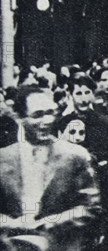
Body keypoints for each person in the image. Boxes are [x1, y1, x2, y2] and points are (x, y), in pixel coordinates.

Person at [0, 86, 100, 250]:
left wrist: (48, 223)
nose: (47, 121)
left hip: (59, 244)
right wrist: (12, 224)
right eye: (38, 115)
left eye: (50, 113)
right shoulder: (3, 159)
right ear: (19, 118)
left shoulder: (75, 155)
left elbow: (91, 207)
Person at [61, 75, 108, 250]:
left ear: (93, 94)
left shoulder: (107, 125)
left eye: (87, 92)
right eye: (78, 93)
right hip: (69, 197)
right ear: (70, 95)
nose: (83, 98)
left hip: (101, 193)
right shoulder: (61, 124)